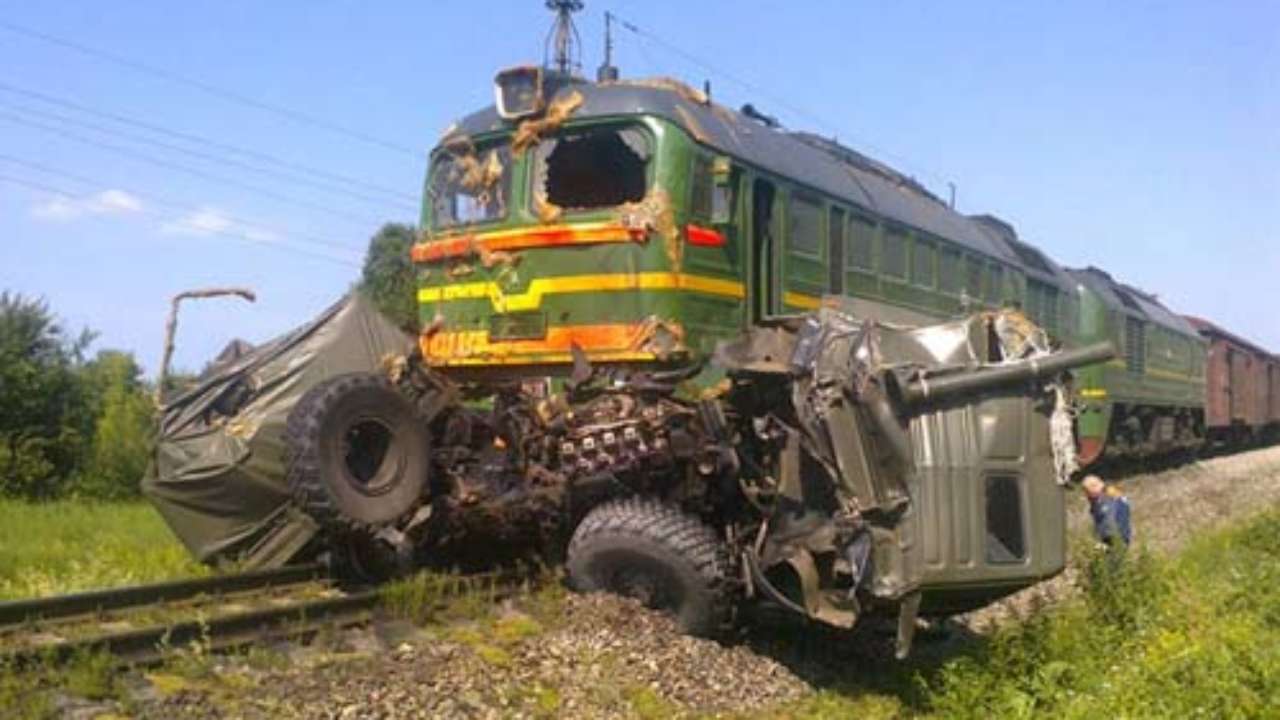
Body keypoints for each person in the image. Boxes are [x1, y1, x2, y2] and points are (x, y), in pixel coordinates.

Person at [1081, 474, 1132, 549]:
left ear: (1094, 488)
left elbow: (1109, 521)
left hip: (1114, 538)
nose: (1087, 495)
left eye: (1087, 491)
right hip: (1118, 537)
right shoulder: (1109, 495)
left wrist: (1104, 542)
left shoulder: (1109, 499)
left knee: (1113, 558)